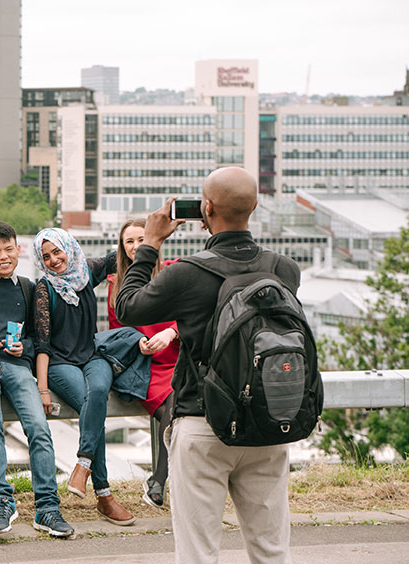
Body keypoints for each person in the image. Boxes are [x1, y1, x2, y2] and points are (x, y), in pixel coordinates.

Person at [115, 167, 300, 564]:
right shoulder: (284, 269)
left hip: (203, 423)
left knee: (198, 553)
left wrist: (149, 244)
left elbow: (127, 306)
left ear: (205, 209)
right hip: (267, 423)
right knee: (271, 550)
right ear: (254, 206)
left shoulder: (187, 273)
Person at [0, 222, 74, 537]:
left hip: (17, 365)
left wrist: (25, 345)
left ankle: (48, 508)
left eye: (8, 249)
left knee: (38, 428)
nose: (3, 256)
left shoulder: (28, 286)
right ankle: (1, 501)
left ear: (17, 250)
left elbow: (39, 338)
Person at [32, 227, 135, 526]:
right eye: (46, 256)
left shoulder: (87, 272)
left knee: (99, 390)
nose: (53, 260)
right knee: (91, 404)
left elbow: (121, 256)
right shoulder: (45, 288)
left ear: (69, 248)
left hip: (92, 354)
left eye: (57, 252)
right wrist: (42, 388)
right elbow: (42, 343)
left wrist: (148, 236)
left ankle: (83, 464)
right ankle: (104, 496)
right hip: (59, 363)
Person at [106, 218, 178, 508]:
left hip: (175, 358)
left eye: (141, 240)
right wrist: (138, 340)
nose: (136, 247)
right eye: (129, 242)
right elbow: (117, 330)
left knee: (177, 411)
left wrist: (172, 332)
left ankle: (159, 479)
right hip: (144, 366)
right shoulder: (115, 283)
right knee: (174, 415)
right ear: (122, 249)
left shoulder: (172, 272)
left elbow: (194, 314)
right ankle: (161, 481)